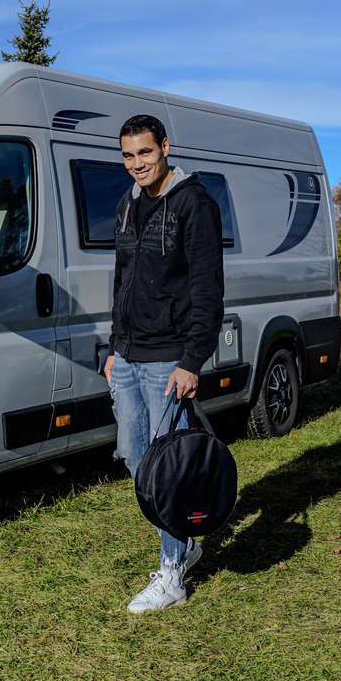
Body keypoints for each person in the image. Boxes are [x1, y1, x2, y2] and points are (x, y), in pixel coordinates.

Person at [105, 114, 225, 613]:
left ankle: (172, 574)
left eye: (146, 153)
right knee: (137, 462)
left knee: (167, 471)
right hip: (129, 358)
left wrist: (192, 360)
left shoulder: (194, 204)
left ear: (165, 148)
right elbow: (122, 280)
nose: (137, 164)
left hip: (168, 360)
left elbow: (207, 290)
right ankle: (188, 543)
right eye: (129, 156)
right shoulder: (128, 206)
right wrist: (114, 348)